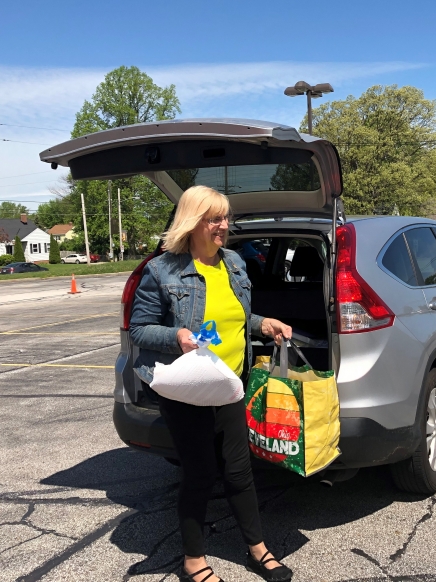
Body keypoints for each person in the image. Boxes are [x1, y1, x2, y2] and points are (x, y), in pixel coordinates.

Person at [130, 186, 294, 582]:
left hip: (231, 385)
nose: (225, 226)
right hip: (189, 389)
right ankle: (193, 561)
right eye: (215, 219)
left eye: (225, 217)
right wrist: (178, 337)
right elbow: (139, 329)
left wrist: (264, 324)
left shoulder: (235, 263)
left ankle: (258, 549)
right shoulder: (162, 270)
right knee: (201, 473)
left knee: (239, 471)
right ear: (193, 221)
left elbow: (238, 318)